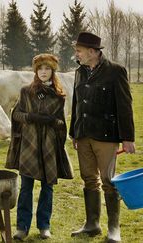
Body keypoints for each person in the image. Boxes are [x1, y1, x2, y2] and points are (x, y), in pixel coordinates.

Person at [69, 32, 135, 243]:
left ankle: (114, 230)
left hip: (106, 135)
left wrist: (127, 137)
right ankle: (92, 224)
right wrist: (74, 132)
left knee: (108, 181)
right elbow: (76, 104)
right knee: (89, 179)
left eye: (79, 51)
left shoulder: (115, 71)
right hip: (83, 134)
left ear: (92, 52)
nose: (76, 54)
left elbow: (125, 106)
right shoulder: (79, 72)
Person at [6, 53, 73, 240]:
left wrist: (54, 123)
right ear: (36, 71)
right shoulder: (26, 91)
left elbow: (61, 122)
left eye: (47, 69)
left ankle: (44, 226)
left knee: (47, 187)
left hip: (49, 144)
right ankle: (22, 227)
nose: (44, 72)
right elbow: (16, 115)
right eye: (40, 69)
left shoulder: (59, 96)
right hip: (29, 143)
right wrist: (33, 118)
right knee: (26, 187)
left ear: (53, 71)